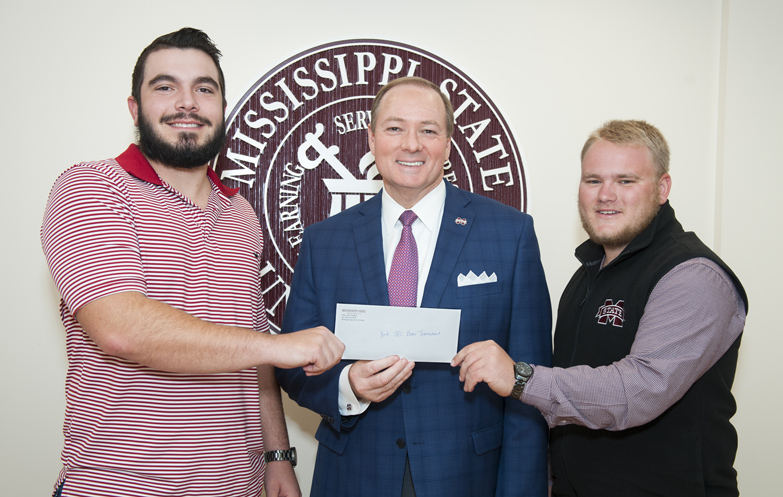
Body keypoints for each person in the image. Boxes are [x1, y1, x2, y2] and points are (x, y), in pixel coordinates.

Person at [41, 27, 344, 497]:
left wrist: (277, 456)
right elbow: (122, 328)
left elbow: (251, 349)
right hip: (120, 486)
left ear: (221, 108)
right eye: (165, 87)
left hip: (237, 486)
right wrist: (280, 347)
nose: (187, 102)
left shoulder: (240, 214)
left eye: (204, 89)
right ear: (135, 108)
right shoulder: (91, 187)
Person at [275, 76, 552, 497]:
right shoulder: (324, 240)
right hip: (354, 475)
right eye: (394, 128)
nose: (411, 144)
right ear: (370, 139)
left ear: (448, 143)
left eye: (428, 130)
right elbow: (293, 363)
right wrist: (348, 386)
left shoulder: (509, 233)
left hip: (467, 477)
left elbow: (529, 381)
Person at [453, 120, 748, 497]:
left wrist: (520, 378)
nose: (605, 195)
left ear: (662, 188)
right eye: (593, 180)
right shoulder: (586, 276)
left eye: (625, 181)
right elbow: (566, 402)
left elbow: (639, 390)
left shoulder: (692, 275)